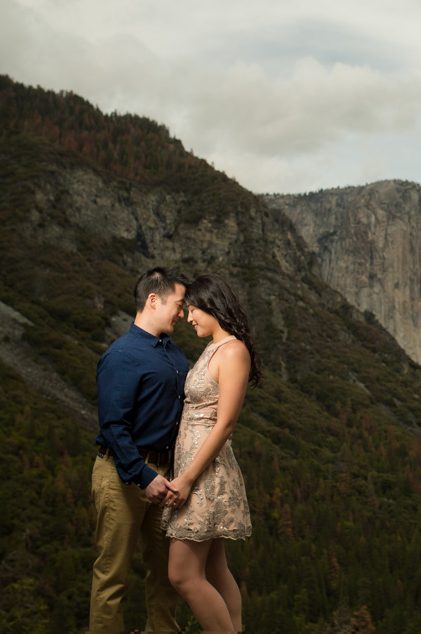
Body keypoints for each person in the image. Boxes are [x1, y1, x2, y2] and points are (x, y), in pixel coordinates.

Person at [90, 267, 190, 633]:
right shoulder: (121, 356)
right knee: (112, 574)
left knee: (168, 573)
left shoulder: (176, 355)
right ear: (153, 300)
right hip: (124, 474)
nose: (182, 313)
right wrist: (143, 476)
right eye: (179, 305)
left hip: (167, 478)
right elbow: (113, 426)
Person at [162, 274, 259, 632]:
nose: (188, 317)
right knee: (216, 569)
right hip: (196, 468)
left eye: (193, 309)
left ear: (212, 306)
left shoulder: (233, 350)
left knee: (183, 574)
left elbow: (226, 424)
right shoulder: (214, 348)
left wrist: (186, 479)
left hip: (206, 475)